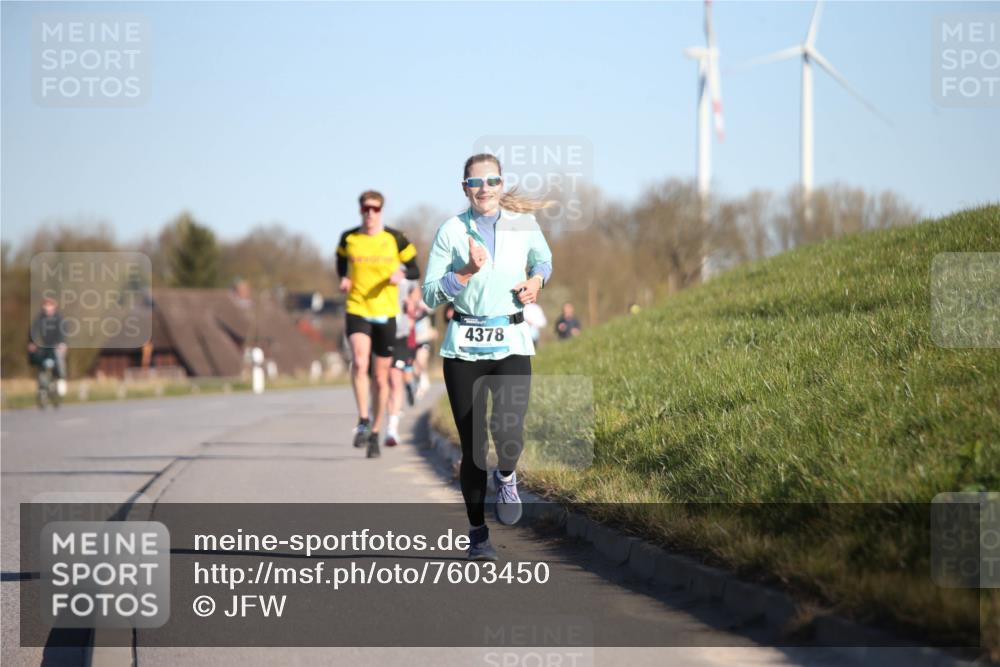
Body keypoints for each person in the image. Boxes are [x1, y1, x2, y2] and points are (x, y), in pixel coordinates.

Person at [422, 153, 553, 561]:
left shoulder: (523, 225)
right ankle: (478, 534)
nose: (485, 189)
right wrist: (462, 272)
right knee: (474, 445)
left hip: (512, 340)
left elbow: (543, 260)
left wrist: (535, 281)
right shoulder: (450, 231)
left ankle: (508, 473)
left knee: (509, 429)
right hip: (464, 348)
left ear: (501, 184)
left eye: (492, 181)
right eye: (476, 183)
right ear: (465, 188)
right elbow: (428, 294)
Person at [337, 190, 420, 459]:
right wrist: (344, 278)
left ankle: (375, 431)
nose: (370, 213)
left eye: (375, 209)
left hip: (386, 311)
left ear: (381, 210)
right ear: (360, 210)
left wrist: (402, 273)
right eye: (365, 209)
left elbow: (415, 269)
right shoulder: (349, 238)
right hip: (358, 308)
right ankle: (362, 418)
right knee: (360, 363)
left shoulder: (395, 238)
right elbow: (340, 261)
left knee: (381, 377)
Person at [386, 277, 421, 448]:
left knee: (395, 380)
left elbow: (416, 294)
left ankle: (392, 429)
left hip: (401, 335)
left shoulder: (408, 268)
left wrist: (411, 302)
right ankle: (372, 417)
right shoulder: (379, 260)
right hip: (381, 331)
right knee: (381, 381)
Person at [27, 296, 68, 397]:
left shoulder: (59, 319)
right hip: (44, 345)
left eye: (50, 305)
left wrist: (62, 344)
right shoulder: (40, 318)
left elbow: (62, 332)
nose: (47, 307)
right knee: (40, 362)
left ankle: (61, 379)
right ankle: (42, 387)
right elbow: (34, 331)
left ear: (54, 306)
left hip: (57, 344)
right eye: (46, 305)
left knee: (59, 359)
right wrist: (32, 342)